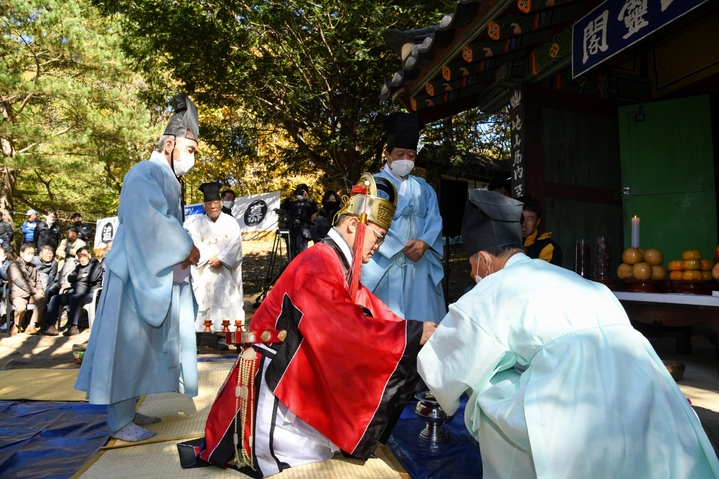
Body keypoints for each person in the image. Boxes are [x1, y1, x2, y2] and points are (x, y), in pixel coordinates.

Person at [417, 190, 719, 479]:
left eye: (471, 266)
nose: (473, 275)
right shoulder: (569, 276)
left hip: (577, 405)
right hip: (648, 390)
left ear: (482, 259)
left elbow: (447, 369)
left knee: (485, 387)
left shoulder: (493, 287)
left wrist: (425, 337)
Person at [181, 173, 437, 476]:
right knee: (316, 449)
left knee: (330, 439)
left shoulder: (333, 261)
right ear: (355, 225)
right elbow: (340, 326)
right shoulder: (319, 264)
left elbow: (367, 307)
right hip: (276, 375)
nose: (377, 247)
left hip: (291, 364)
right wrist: (410, 334)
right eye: (378, 237)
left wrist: (410, 329)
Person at [75, 93, 201, 443]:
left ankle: (128, 409)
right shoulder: (144, 172)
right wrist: (186, 246)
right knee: (126, 348)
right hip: (133, 275)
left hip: (150, 271)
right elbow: (149, 221)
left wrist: (182, 245)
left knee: (142, 348)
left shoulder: (168, 179)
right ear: (169, 144)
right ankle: (118, 421)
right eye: (189, 150)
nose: (192, 158)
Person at [361, 112, 446, 323]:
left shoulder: (423, 187)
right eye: (400, 154)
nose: (406, 160)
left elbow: (434, 219)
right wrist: (399, 245)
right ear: (387, 155)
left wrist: (425, 243)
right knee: (388, 322)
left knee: (423, 320)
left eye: (411, 155)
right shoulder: (373, 185)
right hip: (384, 263)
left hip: (420, 260)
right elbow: (366, 222)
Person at [185, 181, 244, 350]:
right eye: (209, 204)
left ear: (221, 203)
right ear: (204, 205)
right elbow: (194, 243)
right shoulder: (196, 223)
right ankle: (200, 336)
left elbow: (236, 245)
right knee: (203, 300)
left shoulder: (231, 222)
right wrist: (209, 257)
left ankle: (225, 336)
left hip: (225, 270)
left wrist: (222, 259)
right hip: (205, 269)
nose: (213, 207)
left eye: (216, 203)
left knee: (227, 300)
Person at [42, 247, 103, 337]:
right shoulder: (78, 267)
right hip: (75, 293)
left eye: (84, 256)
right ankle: (49, 325)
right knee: (55, 298)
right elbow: (70, 278)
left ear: (89, 256)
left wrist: (78, 277)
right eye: (79, 257)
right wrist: (82, 276)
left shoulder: (96, 266)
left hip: (89, 294)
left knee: (74, 298)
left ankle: (73, 327)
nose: (82, 259)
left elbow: (92, 278)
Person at [7, 243, 47, 335]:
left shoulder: (33, 266)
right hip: (18, 294)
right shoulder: (14, 266)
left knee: (42, 300)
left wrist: (40, 289)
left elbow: (38, 280)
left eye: (33, 254)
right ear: (21, 253)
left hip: (32, 294)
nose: (31, 256)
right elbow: (20, 283)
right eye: (29, 253)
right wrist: (35, 291)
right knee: (21, 307)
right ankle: (16, 325)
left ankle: (32, 325)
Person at [517, 195, 562, 266]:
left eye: (530, 218)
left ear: (537, 222)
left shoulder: (547, 247)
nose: (524, 224)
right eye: (520, 217)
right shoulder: (503, 244)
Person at [280, 184, 318, 259]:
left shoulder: (308, 204)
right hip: (291, 229)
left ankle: (302, 269)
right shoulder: (292, 204)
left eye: (302, 192)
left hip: (302, 231)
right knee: (291, 253)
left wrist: (309, 198)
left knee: (303, 253)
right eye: (299, 191)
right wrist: (289, 197)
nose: (300, 194)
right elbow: (283, 208)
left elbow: (315, 209)